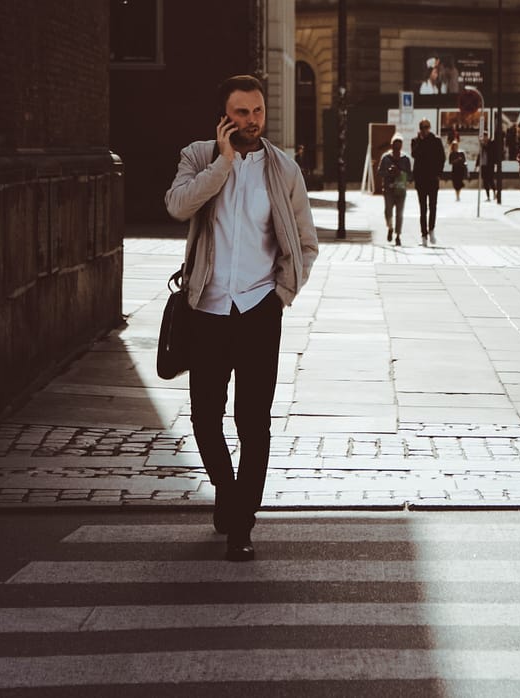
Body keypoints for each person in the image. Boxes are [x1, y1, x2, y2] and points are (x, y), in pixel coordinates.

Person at [164, 75, 319, 562]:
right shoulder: (197, 156)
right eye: (241, 112)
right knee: (205, 418)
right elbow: (177, 206)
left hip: (257, 310)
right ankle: (229, 495)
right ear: (223, 116)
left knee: (254, 422)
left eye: (257, 112)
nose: (251, 121)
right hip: (206, 310)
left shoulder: (284, 169)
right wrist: (223, 163)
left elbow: (304, 242)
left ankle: (241, 523)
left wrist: (282, 295)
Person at [411, 118, 446, 246]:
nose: (425, 130)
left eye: (427, 127)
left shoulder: (436, 140)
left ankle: (431, 230)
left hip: (432, 178)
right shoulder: (415, 141)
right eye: (422, 127)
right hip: (420, 179)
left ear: (429, 127)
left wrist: (438, 174)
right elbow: (414, 154)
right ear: (420, 129)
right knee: (423, 208)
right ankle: (423, 235)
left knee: (433, 206)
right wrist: (420, 141)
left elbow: (442, 157)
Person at [378, 133, 412, 245]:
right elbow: (379, 172)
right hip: (388, 188)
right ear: (392, 146)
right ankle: (390, 227)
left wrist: (400, 172)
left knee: (400, 213)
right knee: (388, 211)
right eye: (395, 146)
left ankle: (398, 235)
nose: (397, 148)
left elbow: (410, 175)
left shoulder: (405, 159)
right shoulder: (386, 158)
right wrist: (388, 171)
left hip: (400, 189)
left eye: (399, 146)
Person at [476, 135, 497, 201]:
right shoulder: (482, 145)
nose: (484, 139)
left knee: (491, 180)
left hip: (490, 165)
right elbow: (479, 155)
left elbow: (491, 152)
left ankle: (494, 192)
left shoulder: (491, 144)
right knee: (485, 181)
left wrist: (483, 145)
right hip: (483, 165)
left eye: (485, 137)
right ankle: (488, 196)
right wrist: (477, 165)